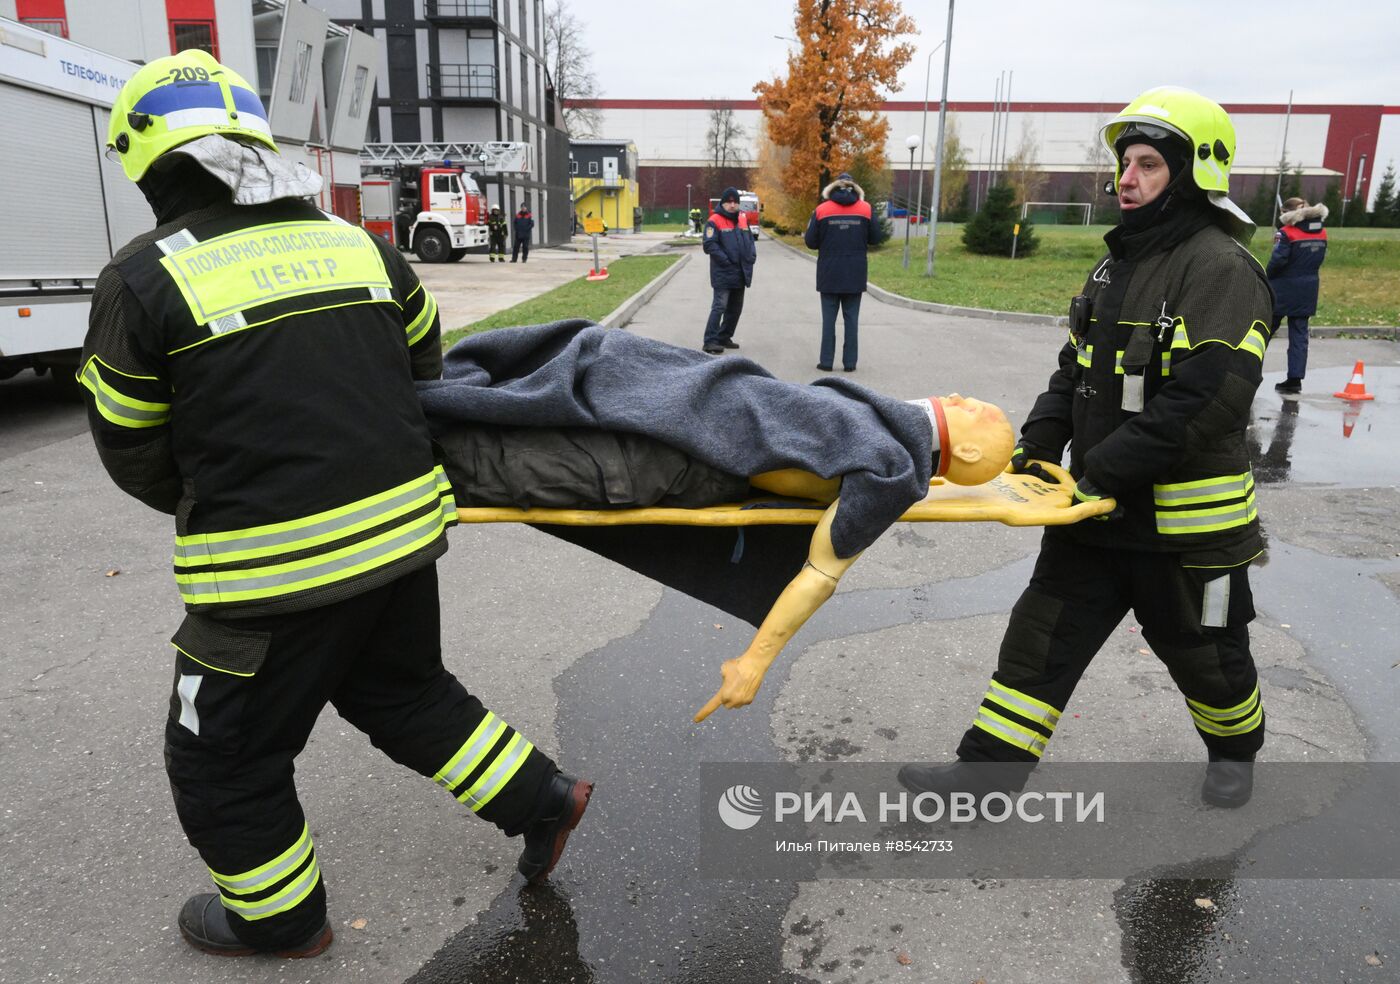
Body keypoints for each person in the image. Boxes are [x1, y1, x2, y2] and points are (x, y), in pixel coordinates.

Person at [81, 51, 591, 960]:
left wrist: (216, 486)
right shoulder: (358, 243)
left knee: (222, 759)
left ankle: (282, 923)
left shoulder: (145, 278)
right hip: (401, 538)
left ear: (146, 159)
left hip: (265, 578)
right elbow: (425, 369)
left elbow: (129, 443)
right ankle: (545, 799)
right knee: (403, 692)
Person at [898, 87, 1273, 809]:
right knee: (1038, 645)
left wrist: (1100, 469)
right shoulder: (1113, 267)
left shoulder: (1221, 269)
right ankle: (984, 780)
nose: (1124, 180)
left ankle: (1236, 751)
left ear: (1195, 172)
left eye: (1147, 166)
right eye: (1125, 164)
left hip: (1189, 535)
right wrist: (1040, 443)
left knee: (1209, 659)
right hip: (1094, 517)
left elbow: (1208, 399)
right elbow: (1075, 373)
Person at [415, 320, 1018, 721]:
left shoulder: (892, 469)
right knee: (557, 356)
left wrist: (754, 660)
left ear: (962, 454)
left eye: (976, 413)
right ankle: (416, 400)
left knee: (470, 459)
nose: (964, 397)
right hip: (676, 392)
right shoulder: (882, 422)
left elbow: (822, 570)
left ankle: (384, 434)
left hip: (670, 457)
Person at [804, 172, 885, 372]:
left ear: (834, 188)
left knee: (828, 321)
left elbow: (810, 242)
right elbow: (876, 238)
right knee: (851, 320)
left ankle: (826, 362)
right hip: (855, 273)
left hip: (829, 273)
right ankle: (850, 363)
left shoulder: (822, 210)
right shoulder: (865, 209)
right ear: (854, 187)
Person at [1267, 196, 1328, 393]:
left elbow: (1278, 261)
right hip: (1308, 289)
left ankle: (1248, 372)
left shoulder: (1286, 233)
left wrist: (1266, 277)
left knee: (1264, 331)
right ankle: (1294, 379)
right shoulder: (1322, 232)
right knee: (1299, 336)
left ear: (1287, 213)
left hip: (1282, 290)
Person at [701, 187, 756, 355]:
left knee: (735, 308)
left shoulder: (742, 220)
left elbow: (749, 241)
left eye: (735, 202)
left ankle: (724, 337)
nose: (732, 205)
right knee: (720, 306)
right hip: (723, 272)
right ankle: (710, 341)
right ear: (723, 204)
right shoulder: (714, 220)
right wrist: (726, 260)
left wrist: (751, 256)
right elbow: (709, 245)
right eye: (729, 202)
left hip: (740, 272)